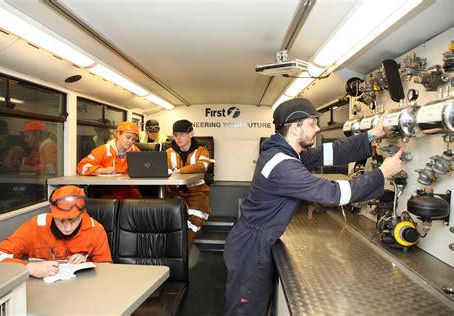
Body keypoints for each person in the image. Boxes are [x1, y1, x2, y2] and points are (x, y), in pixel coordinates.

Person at [223, 98, 404, 315]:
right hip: (251, 248)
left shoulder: (284, 152)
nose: (318, 128)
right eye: (312, 123)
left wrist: (374, 133)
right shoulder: (283, 165)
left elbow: (329, 153)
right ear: (294, 127)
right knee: (245, 311)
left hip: (252, 240)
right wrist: (382, 173)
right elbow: (332, 193)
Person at [0, 185, 112, 278]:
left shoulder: (96, 230)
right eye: (61, 221)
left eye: (73, 220)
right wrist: (29, 268)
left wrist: (88, 263)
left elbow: (108, 272)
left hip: (82, 295)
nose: (67, 228)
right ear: (52, 212)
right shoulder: (34, 226)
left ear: (82, 213)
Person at [166, 119, 212, 247]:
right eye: (175, 135)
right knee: (169, 217)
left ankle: (182, 250)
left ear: (191, 133)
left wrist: (180, 171)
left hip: (196, 192)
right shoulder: (168, 153)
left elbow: (202, 166)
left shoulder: (202, 151)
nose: (178, 138)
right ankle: (172, 248)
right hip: (173, 192)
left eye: (181, 134)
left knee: (195, 217)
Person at [77, 121, 142, 199]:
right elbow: (82, 166)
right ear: (118, 135)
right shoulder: (103, 150)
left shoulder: (135, 151)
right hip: (107, 191)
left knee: (140, 208)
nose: (130, 141)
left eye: (133, 139)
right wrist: (100, 170)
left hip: (129, 190)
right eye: (128, 137)